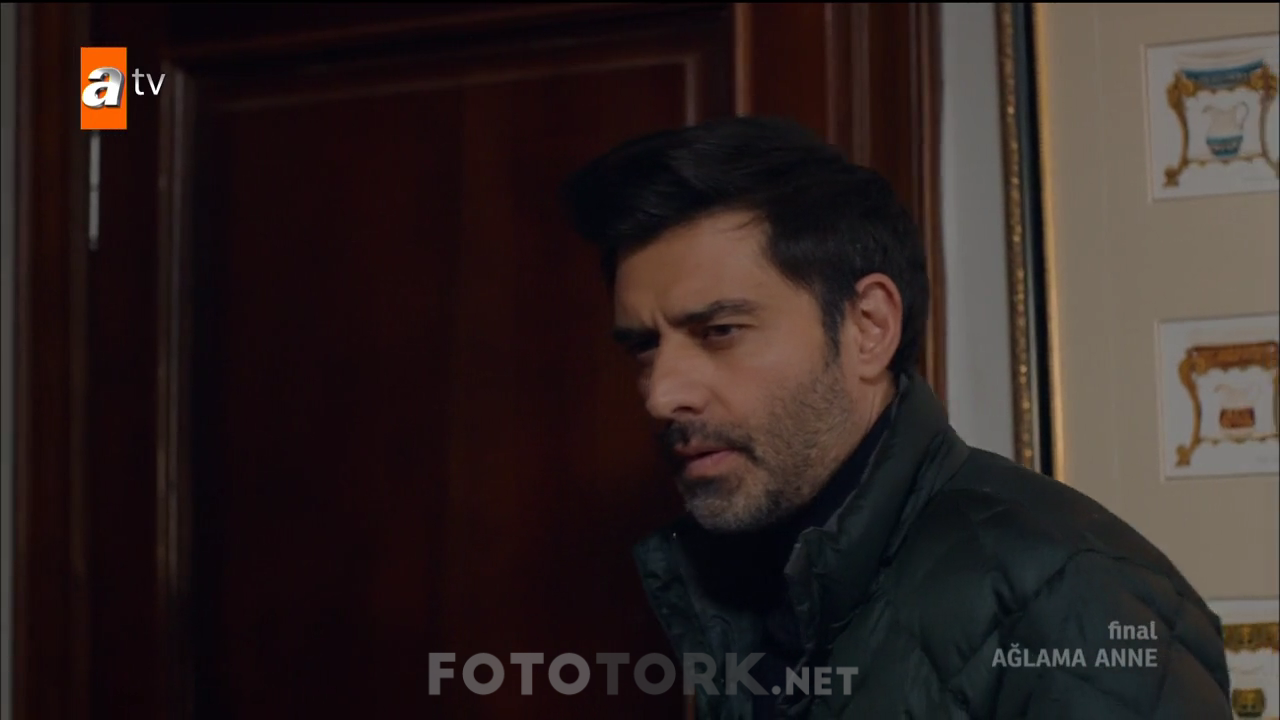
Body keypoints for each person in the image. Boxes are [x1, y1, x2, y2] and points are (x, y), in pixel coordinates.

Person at [561, 116, 1232, 719]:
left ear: (869, 327)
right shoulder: (735, 579)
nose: (661, 395)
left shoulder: (1074, 591)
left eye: (720, 332)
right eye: (643, 347)